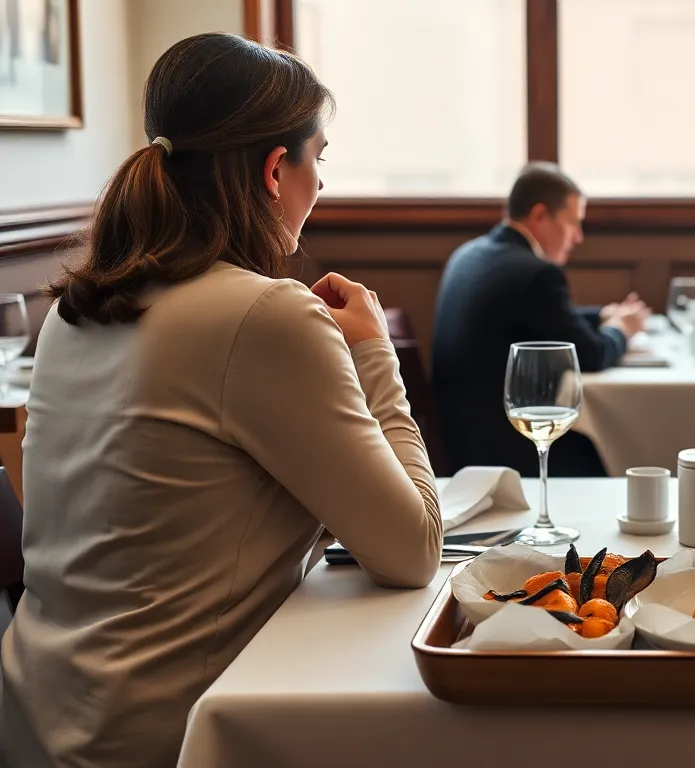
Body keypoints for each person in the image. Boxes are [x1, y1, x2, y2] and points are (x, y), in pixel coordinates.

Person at [1, 33, 444, 767]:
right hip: (171, 737)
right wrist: (373, 352)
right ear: (277, 170)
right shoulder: (264, 316)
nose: (321, 186)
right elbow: (415, 549)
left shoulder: (78, 309)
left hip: (37, 717)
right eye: (318, 161)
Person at [431, 162, 647, 477]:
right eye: (573, 223)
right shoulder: (536, 274)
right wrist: (622, 329)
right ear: (540, 216)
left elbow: (551, 320)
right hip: (508, 447)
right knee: (620, 447)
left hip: (463, 436)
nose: (578, 237)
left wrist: (602, 314)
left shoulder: (471, 253)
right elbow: (591, 353)